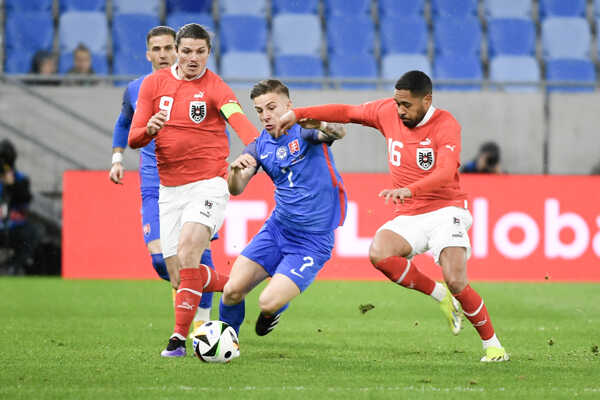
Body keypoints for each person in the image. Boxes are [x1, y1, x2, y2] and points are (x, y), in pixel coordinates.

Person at [276, 70, 509, 362]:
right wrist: (297, 113)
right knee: (380, 253)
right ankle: (440, 296)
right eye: (397, 103)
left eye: (407, 105)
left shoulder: (446, 125)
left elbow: (446, 171)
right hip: (409, 213)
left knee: (456, 279)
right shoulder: (388, 111)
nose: (400, 111)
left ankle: (493, 345)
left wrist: (412, 189)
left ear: (427, 100)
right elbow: (347, 112)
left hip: (445, 209)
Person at [128, 23, 259, 357]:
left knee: (189, 252)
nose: (193, 58)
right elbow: (134, 138)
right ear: (176, 50)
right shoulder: (153, 85)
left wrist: (253, 149)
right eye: (186, 51)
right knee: (178, 274)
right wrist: (149, 129)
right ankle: (237, 283)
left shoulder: (216, 87)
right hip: (169, 189)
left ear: (208, 53)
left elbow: (239, 120)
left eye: (200, 52)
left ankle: (177, 340)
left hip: (209, 184)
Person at [109, 26, 216, 342]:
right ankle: (225, 286)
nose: (163, 55)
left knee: (196, 254)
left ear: (178, 50)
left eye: (169, 48)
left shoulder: (198, 86)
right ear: (148, 54)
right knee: (162, 260)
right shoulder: (136, 88)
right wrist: (117, 158)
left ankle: (201, 326)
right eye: (156, 49)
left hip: (194, 180)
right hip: (155, 184)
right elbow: (124, 122)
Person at [219, 79, 347, 337]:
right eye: (259, 110)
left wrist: (320, 124)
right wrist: (234, 172)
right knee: (231, 291)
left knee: (267, 302)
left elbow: (337, 132)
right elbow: (236, 189)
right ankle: (226, 342)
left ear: (288, 105)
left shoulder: (304, 131)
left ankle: (272, 311)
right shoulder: (258, 146)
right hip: (277, 230)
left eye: (272, 107)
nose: (266, 116)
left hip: (312, 241)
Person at [0, 139, 40, 275]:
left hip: (14, 226)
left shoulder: (20, 179)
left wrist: (12, 184)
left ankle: (13, 266)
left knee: (33, 233)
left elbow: (25, 197)